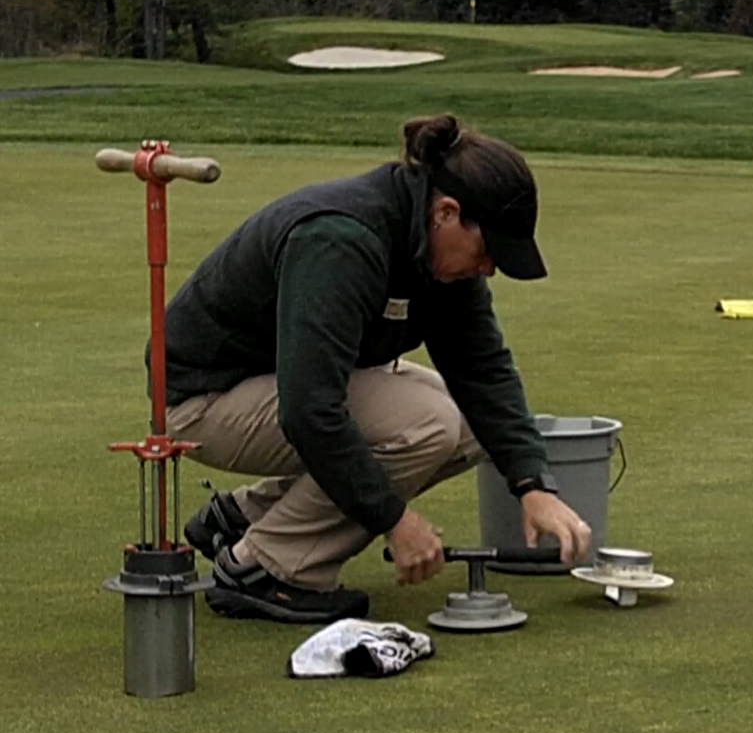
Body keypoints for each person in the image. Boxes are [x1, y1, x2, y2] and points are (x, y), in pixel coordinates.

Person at [154, 112, 592, 624]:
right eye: (488, 249)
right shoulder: (341, 241)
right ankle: (265, 569)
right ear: (447, 212)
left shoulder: (435, 250)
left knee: (470, 424)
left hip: (277, 387)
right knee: (427, 423)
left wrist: (533, 484)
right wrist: (395, 519)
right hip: (203, 400)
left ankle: (247, 517)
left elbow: (482, 370)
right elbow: (310, 411)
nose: (490, 268)